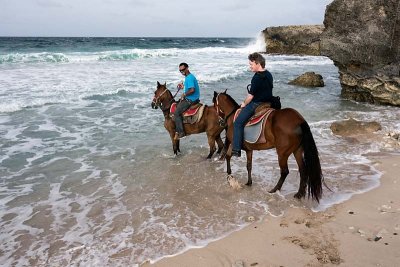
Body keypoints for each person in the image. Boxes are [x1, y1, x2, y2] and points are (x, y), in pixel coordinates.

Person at [231, 52, 274, 157]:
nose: (250, 67)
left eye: (251, 64)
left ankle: (236, 149)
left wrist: (243, 104)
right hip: (269, 102)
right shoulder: (269, 74)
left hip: (257, 103)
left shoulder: (256, 77)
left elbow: (250, 96)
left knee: (237, 123)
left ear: (258, 63)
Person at [174, 62, 200, 140]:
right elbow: (189, 87)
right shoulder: (188, 77)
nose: (182, 71)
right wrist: (183, 86)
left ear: (187, 68)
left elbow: (192, 90)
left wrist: (184, 94)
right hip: (191, 98)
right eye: (180, 71)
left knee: (177, 113)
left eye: (183, 69)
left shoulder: (189, 77)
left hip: (191, 100)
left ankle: (181, 132)